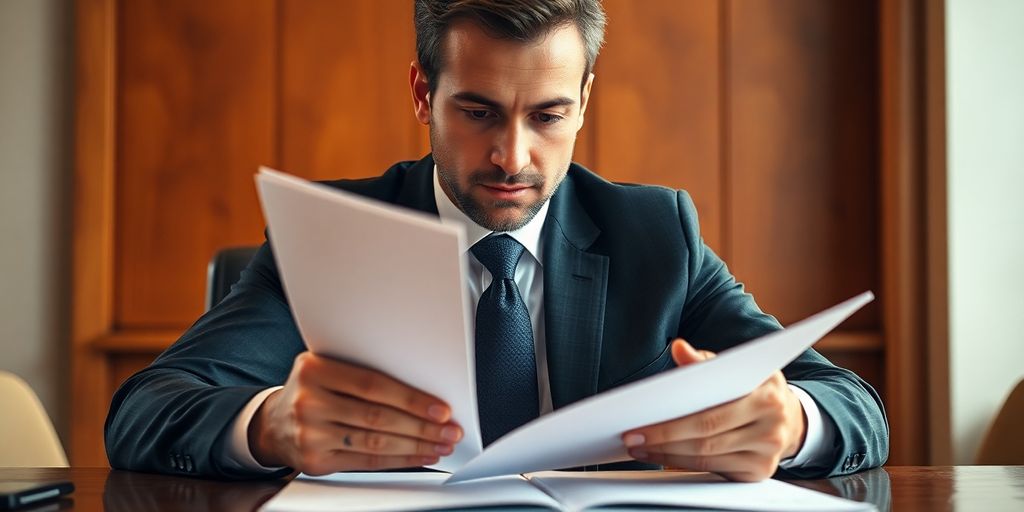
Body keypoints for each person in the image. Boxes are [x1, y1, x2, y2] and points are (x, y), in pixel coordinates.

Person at [105, 0, 888, 482]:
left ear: (584, 100)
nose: (513, 157)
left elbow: (855, 406)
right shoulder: (330, 237)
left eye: (547, 115)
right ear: (424, 93)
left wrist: (791, 426)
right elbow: (145, 411)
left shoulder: (659, 235)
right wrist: (268, 426)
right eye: (477, 111)